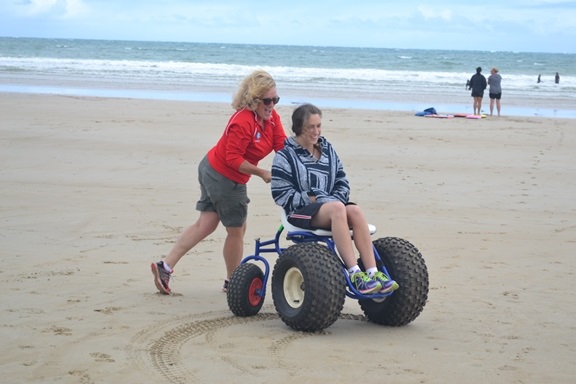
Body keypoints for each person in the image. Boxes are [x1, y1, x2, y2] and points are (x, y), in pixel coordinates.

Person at [151, 70, 287, 294]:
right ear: (254, 100)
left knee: (205, 224)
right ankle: (233, 282)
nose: (272, 104)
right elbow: (234, 159)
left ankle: (164, 267)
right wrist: (262, 172)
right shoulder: (242, 122)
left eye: (275, 99)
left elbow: (281, 145)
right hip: (224, 177)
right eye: (267, 100)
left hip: (212, 169)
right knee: (237, 230)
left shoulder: (272, 119)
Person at [271, 103, 399, 295]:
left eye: (319, 126)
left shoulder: (328, 151)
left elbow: (342, 182)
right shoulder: (285, 156)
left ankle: (373, 273)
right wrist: (311, 199)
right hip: (301, 211)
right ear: (299, 128)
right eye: (310, 127)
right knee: (338, 209)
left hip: (331, 206)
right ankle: (355, 273)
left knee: (354, 210)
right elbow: (281, 195)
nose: (316, 132)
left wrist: (333, 199)